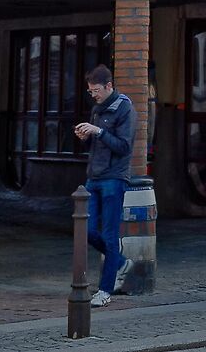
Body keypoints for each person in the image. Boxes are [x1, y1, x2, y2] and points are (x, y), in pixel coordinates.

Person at [73, 65, 134, 306]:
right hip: (94, 175)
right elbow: (98, 145)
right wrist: (86, 137)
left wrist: (98, 131)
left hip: (114, 177)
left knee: (109, 234)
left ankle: (105, 290)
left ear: (109, 86)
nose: (94, 95)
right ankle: (119, 262)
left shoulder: (124, 108)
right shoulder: (98, 109)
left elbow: (124, 147)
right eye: (90, 92)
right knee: (84, 229)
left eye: (96, 90)